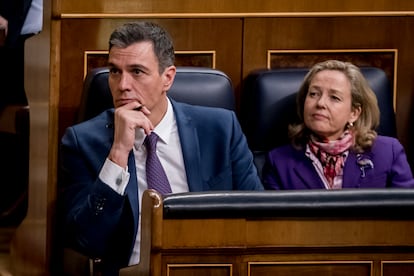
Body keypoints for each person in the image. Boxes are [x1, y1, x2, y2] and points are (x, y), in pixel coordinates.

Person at [57, 21, 263, 275]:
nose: (122, 85)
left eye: (137, 72)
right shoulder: (83, 141)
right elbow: (86, 240)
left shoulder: (221, 130)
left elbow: (257, 221)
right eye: (114, 71)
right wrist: (118, 154)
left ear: (168, 77)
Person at [262, 59, 414, 190]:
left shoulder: (388, 153)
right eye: (314, 94)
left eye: (334, 97)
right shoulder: (279, 161)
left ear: (354, 113)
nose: (320, 103)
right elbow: (274, 223)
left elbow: (405, 216)